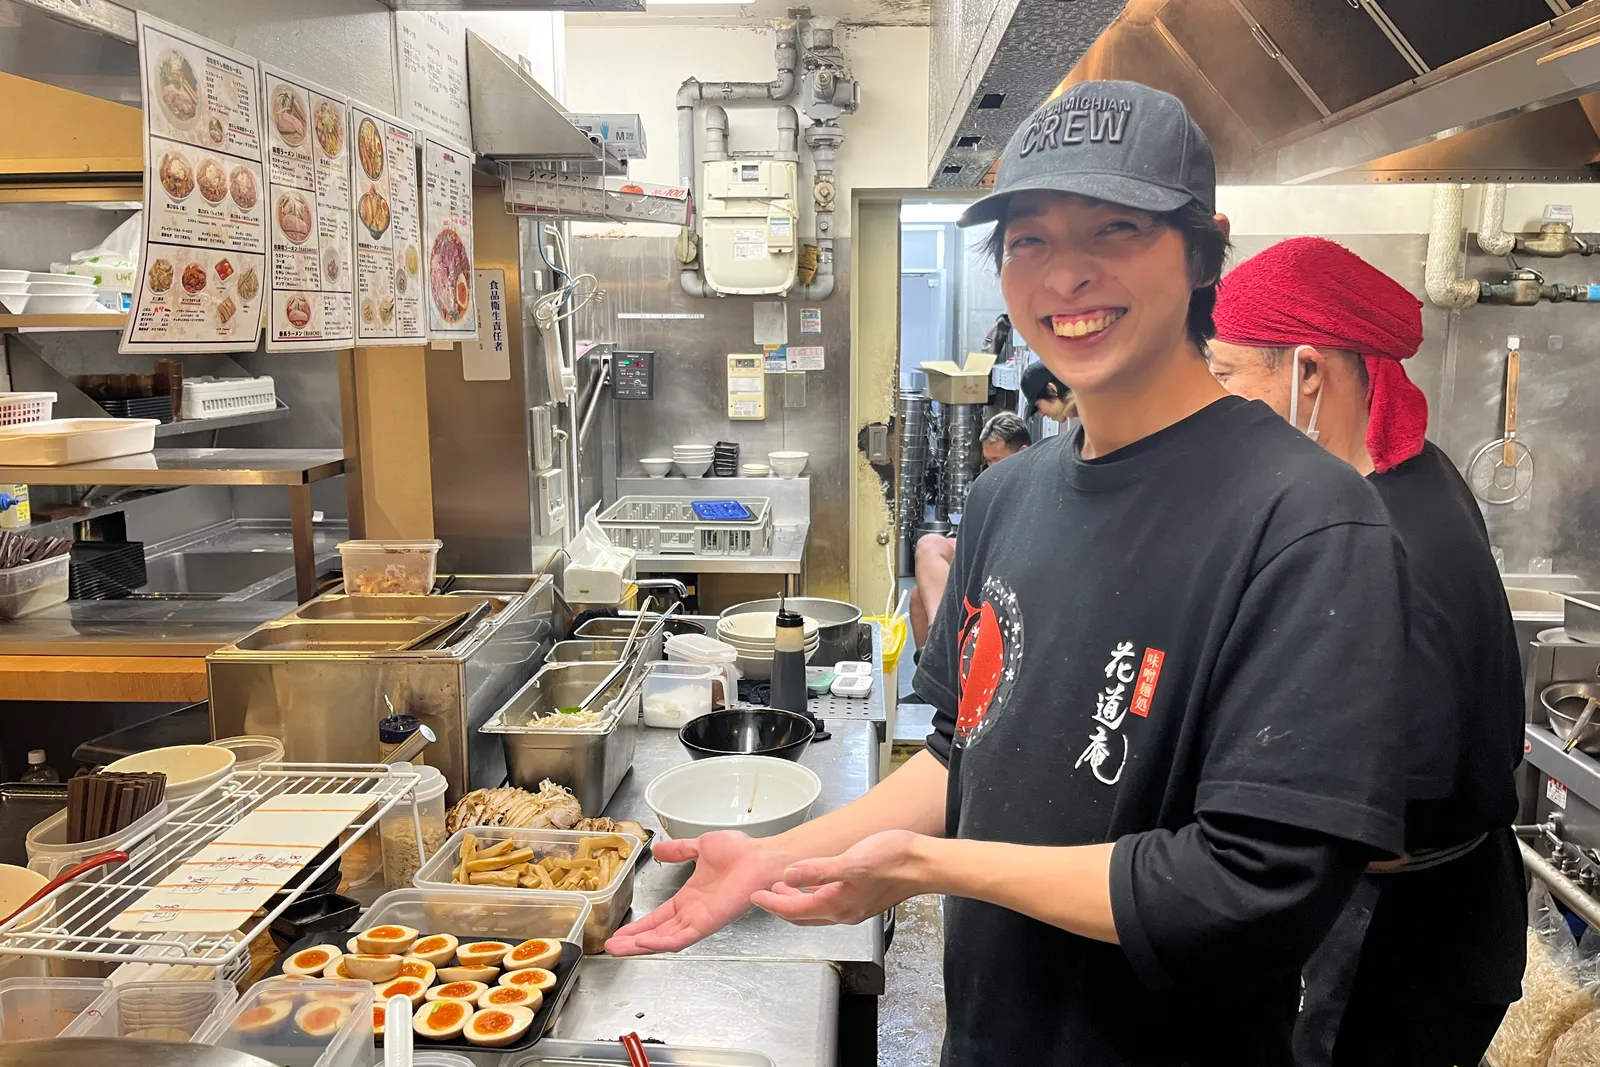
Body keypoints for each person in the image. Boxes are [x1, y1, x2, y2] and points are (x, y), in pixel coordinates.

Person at [608, 82, 1411, 1067]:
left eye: (1115, 228)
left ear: (1205, 250)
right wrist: (774, 854)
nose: (1065, 272)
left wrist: (927, 866)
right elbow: (960, 757)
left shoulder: (1308, 520)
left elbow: (1253, 886)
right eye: (1029, 238)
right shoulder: (1007, 497)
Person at [1208, 236, 1525, 1067]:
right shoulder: (1410, 473)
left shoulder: (1382, 539)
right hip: (1438, 917)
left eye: (1226, 374)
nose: (1213, 401)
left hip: (1404, 940)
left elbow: (1387, 808)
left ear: (1308, 372)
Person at [910, 411, 1031, 647]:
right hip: (985, 556)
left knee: (920, 597)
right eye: (988, 461)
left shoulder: (1036, 486)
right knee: (928, 549)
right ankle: (937, 635)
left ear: (1023, 452)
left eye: (998, 460)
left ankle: (938, 641)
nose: (992, 468)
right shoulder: (991, 485)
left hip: (1009, 567)